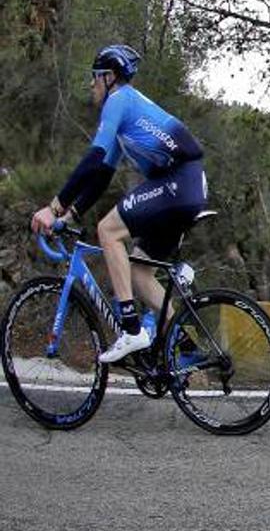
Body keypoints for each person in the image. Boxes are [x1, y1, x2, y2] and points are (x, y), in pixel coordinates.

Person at [29, 44, 208, 363]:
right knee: (140, 274)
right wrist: (69, 215)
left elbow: (93, 157)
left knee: (108, 230)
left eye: (94, 78)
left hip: (180, 183)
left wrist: (54, 207)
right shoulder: (126, 113)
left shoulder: (119, 99)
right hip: (186, 186)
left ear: (109, 77)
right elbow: (100, 175)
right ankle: (188, 347)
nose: (91, 85)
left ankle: (131, 329)